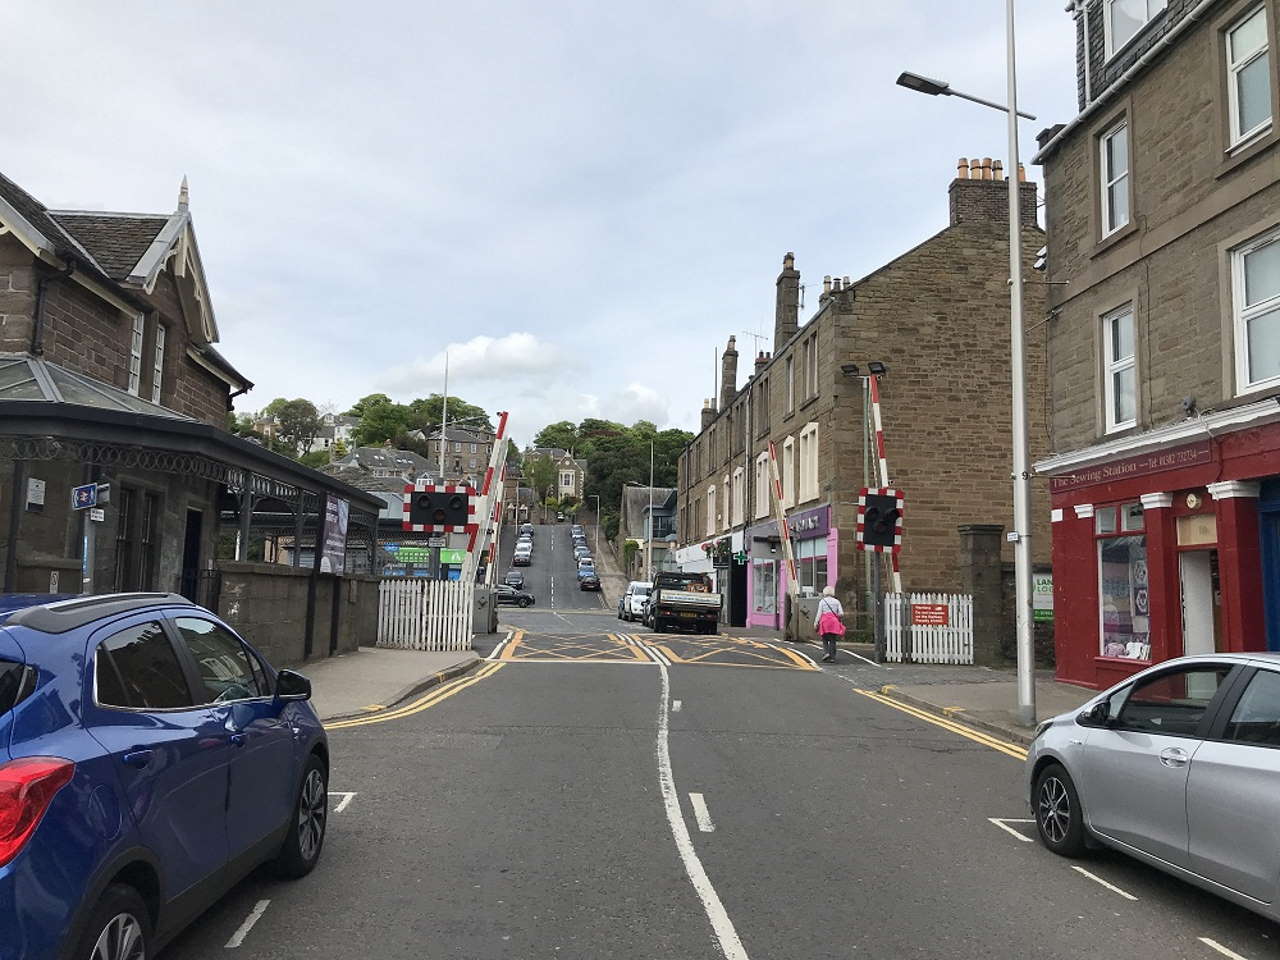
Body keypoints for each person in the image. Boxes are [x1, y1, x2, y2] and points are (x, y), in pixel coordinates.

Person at [814, 585, 845, 663]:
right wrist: (836, 616)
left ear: (824, 592)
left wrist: (816, 622)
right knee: (832, 639)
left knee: (824, 639)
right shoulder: (836, 601)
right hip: (834, 622)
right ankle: (832, 657)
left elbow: (819, 613)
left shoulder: (822, 601)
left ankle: (826, 652)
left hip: (824, 622)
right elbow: (841, 613)